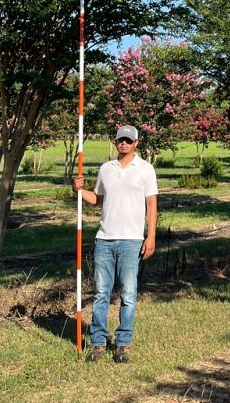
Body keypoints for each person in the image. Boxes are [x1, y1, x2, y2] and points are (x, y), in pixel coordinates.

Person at [73, 125, 158, 362]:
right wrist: (80, 191)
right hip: (105, 239)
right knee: (101, 293)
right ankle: (98, 343)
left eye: (128, 141)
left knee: (128, 294)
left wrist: (151, 236)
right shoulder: (106, 169)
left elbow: (151, 205)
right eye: (121, 140)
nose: (124, 144)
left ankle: (123, 343)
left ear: (136, 143)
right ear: (115, 142)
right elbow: (97, 200)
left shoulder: (145, 169)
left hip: (132, 240)